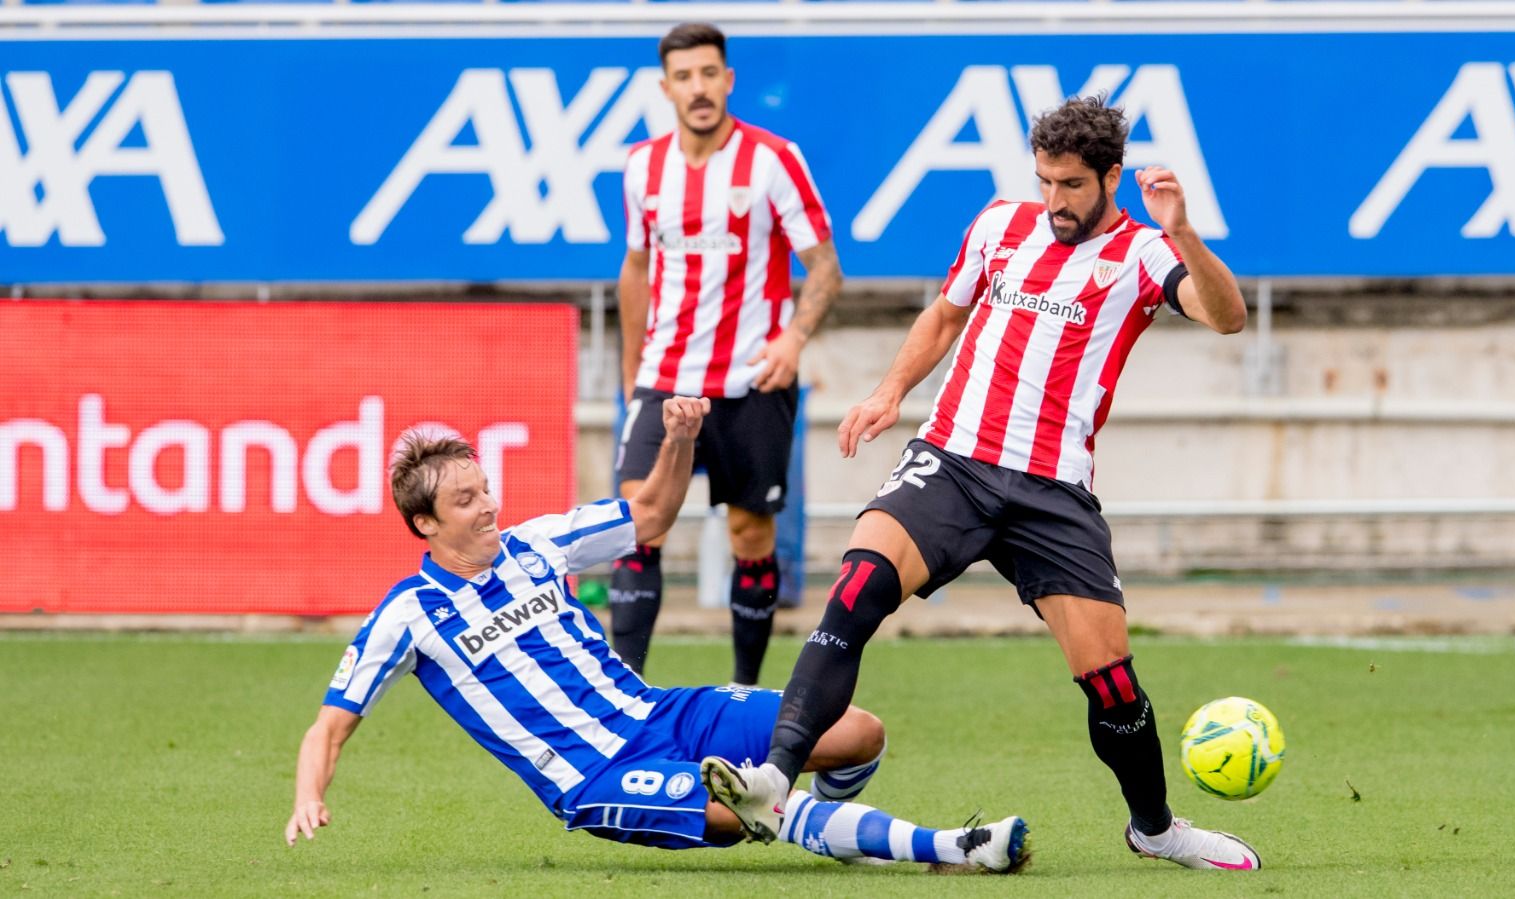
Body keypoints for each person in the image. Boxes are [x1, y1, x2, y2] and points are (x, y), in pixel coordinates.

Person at [701, 96, 1263, 871]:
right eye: (1045, 182)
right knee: (859, 584)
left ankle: (1156, 828)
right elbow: (944, 314)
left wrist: (1185, 232)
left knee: (1111, 683)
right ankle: (774, 777)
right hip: (953, 462)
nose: (1054, 202)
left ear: (1112, 177)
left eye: (1071, 186)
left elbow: (1226, 316)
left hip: (1051, 491)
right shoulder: (1001, 224)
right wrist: (889, 391)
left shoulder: (1142, 252)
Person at [284, 399, 1028, 873]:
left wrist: (679, 442)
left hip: (660, 712)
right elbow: (330, 725)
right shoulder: (407, 613)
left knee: (858, 731)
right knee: (739, 814)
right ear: (424, 523)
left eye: (484, 488)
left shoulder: (537, 541)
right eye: (465, 499)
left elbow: (651, 517)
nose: (488, 506)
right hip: (593, 772)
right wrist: (308, 795)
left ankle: (840, 839)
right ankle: (950, 849)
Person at [610, 22, 844, 687]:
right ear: (666, 88)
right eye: (684, 77)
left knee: (750, 536)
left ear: (728, 80)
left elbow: (825, 268)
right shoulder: (642, 168)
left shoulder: (772, 159)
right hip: (664, 378)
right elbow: (634, 267)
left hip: (751, 383)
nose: (698, 88)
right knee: (637, 525)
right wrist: (633, 370)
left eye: (709, 73)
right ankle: (626, 697)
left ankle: (745, 689)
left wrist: (793, 338)